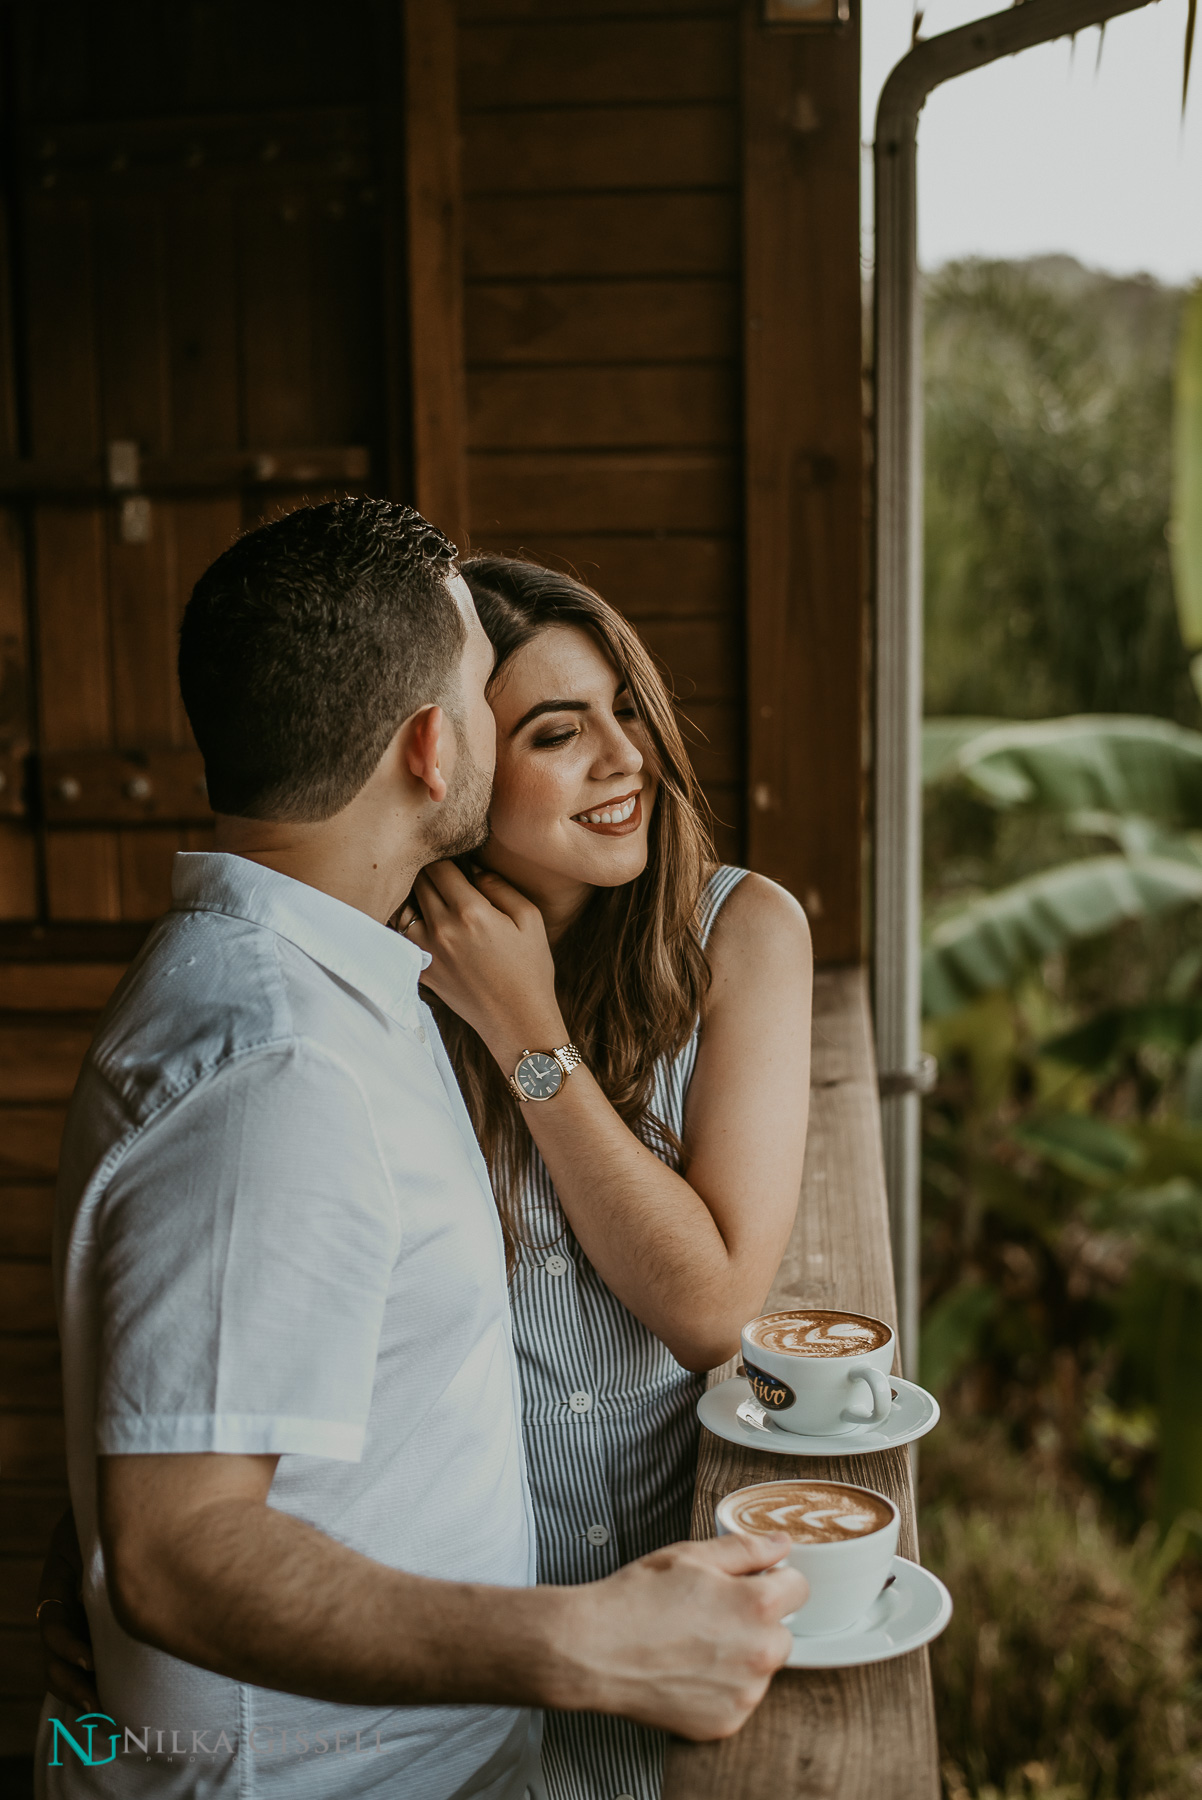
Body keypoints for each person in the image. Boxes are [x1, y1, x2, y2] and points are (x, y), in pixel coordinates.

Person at [33, 500, 806, 1800]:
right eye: (530, 721)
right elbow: (174, 1552)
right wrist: (580, 1642)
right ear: (439, 746)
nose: (626, 756)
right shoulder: (278, 1062)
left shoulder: (352, 981)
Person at [401, 556, 814, 1800]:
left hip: (662, 1619)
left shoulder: (741, 934)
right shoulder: (380, 961)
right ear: (461, 766)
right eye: (558, 732)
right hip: (445, 1639)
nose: (626, 758)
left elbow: (709, 1313)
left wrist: (530, 1040)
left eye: (626, 711)